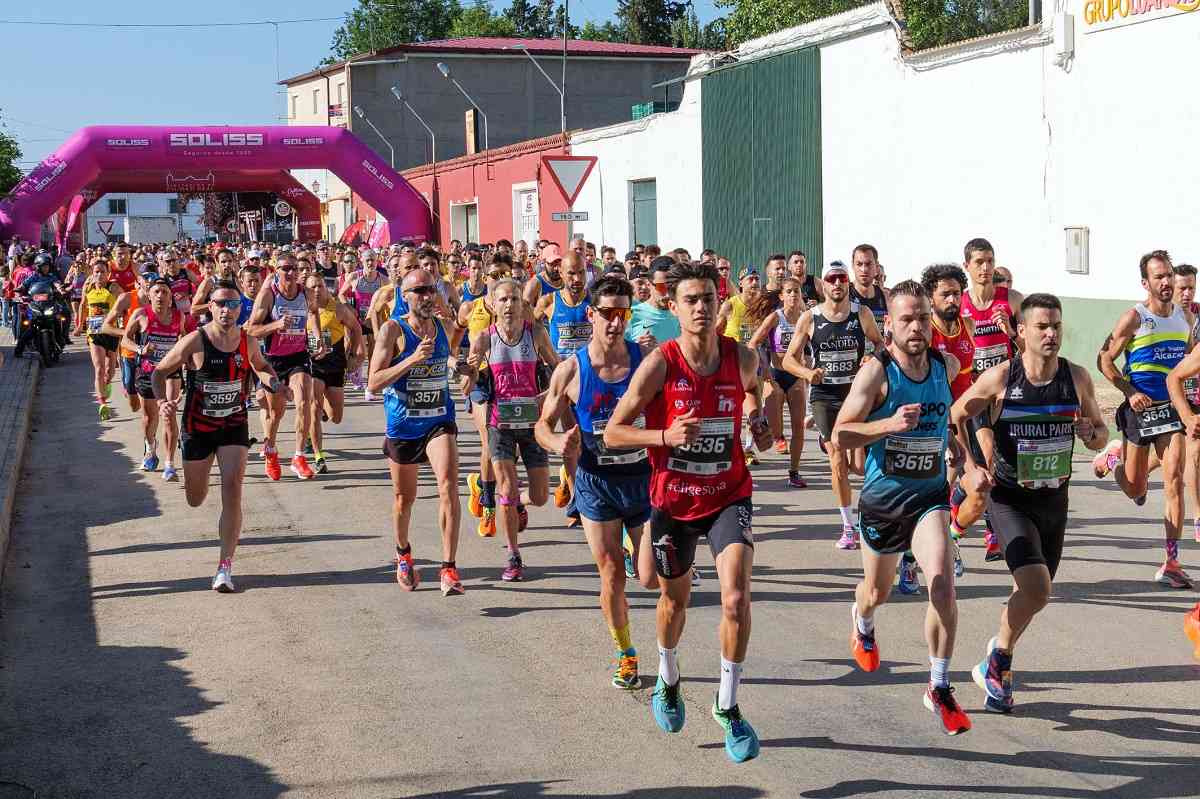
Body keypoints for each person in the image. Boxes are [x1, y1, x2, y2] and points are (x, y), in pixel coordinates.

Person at [603, 259, 772, 763]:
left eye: (708, 299)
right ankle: (669, 678)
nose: (701, 308)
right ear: (673, 308)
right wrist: (664, 436)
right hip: (673, 502)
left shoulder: (740, 357)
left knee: (736, 599)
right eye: (691, 300)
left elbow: (755, 392)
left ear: (721, 304)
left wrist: (758, 421)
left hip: (728, 494)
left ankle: (728, 706)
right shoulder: (661, 364)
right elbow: (613, 432)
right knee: (673, 602)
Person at [950, 293, 1108, 713]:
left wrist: (1091, 433)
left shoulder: (1076, 379)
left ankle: (994, 658)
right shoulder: (1002, 378)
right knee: (1038, 588)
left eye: (1056, 325)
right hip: (1009, 498)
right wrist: (969, 464)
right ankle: (1000, 662)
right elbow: (956, 415)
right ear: (1021, 332)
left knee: (1032, 594)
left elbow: (1099, 434)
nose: (1051, 333)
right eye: (1041, 326)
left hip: (1055, 500)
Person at [831, 280, 970, 736]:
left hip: (929, 499)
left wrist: (962, 454)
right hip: (884, 502)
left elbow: (946, 419)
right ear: (889, 323)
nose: (917, 327)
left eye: (923, 318)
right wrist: (888, 423)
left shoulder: (944, 365)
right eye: (907, 318)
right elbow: (840, 434)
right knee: (878, 592)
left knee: (943, 587)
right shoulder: (876, 372)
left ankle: (939, 685)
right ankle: (863, 619)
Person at [535, 275, 658, 689]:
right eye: (607, 313)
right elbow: (542, 427)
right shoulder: (571, 370)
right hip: (595, 481)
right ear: (591, 315)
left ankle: (636, 546)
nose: (615, 321)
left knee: (651, 578)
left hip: (643, 480)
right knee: (610, 573)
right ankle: (626, 654)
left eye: (622, 312)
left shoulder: (646, 361)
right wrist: (556, 441)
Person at [152, 279, 281, 593]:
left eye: (233, 304)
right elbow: (158, 372)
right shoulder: (195, 341)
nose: (227, 310)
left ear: (240, 308)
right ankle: (201, 476)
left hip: (233, 424)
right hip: (198, 428)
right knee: (196, 498)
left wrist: (273, 383)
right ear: (210, 308)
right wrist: (162, 402)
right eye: (221, 304)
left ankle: (225, 566)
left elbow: (262, 366)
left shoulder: (246, 340)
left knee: (233, 485)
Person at [1095, 250, 1192, 588]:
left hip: (1170, 409)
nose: (1166, 282)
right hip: (1139, 410)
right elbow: (1104, 360)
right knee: (1135, 486)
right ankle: (1115, 459)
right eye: (1159, 277)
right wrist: (1127, 390)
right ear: (1145, 283)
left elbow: (1188, 363)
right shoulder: (1133, 318)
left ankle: (1172, 561)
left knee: (1174, 479)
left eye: (1168, 275)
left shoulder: (1185, 319)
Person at [368, 268, 467, 596]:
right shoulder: (391, 330)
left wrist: (460, 366)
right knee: (403, 499)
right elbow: (374, 381)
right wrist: (410, 359)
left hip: (439, 419)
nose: (427, 296)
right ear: (404, 296)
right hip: (403, 425)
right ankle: (403, 552)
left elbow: (447, 358)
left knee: (449, 486)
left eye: (431, 290)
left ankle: (449, 568)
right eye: (419, 291)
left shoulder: (444, 326)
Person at [461, 278, 559, 581]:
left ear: (522, 304)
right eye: (502, 300)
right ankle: (513, 554)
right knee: (506, 487)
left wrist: (545, 396)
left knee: (542, 496)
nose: (508, 305)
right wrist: (470, 374)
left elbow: (557, 369)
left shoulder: (537, 334)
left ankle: (516, 502)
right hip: (499, 424)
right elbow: (468, 386)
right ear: (492, 304)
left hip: (532, 424)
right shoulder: (484, 339)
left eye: (514, 299)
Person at [782, 260, 883, 549]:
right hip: (824, 396)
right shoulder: (810, 318)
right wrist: (808, 373)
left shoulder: (860, 313)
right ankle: (849, 526)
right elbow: (789, 359)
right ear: (823, 285)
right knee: (837, 460)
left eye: (842, 278)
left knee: (860, 466)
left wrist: (871, 358)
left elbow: (880, 344)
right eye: (832, 279)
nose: (837, 283)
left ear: (847, 283)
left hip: (856, 394)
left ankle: (864, 511)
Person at [897, 263, 977, 591]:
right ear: (931, 297)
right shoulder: (924, 333)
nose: (952, 300)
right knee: (929, 494)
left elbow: (970, 377)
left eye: (957, 293)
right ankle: (909, 558)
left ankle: (951, 537)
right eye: (945, 294)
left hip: (967, 419)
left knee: (979, 489)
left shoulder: (969, 325)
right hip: (933, 422)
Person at [957, 238, 1023, 562]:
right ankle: (991, 530)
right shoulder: (961, 305)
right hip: (976, 395)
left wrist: (1011, 331)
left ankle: (967, 502)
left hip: (1007, 393)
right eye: (979, 261)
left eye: (990, 261)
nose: (985, 268)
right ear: (967, 265)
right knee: (987, 456)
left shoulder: (1010, 299)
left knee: (1002, 462)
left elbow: (1033, 346)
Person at [246, 251, 323, 481]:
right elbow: (251, 329)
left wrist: (318, 339)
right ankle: (270, 451)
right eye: (284, 268)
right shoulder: (268, 296)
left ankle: (299, 457)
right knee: (275, 413)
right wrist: (276, 325)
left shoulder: (306, 293)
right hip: (273, 359)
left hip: (298, 357)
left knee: (304, 402)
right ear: (276, 271)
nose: (290, 272)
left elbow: (314, 315)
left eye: (293, 268)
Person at [535, 252, 592, 519]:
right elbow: (530, 326)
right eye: (572, 273)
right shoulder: (549, 301)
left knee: (589, 439)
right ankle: (578, 497)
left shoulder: (595, 302)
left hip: (591, 377)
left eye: (581, 272)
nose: (577, 279)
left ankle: (582, 490)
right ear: (562, 273)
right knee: (572, 439)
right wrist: (542, 356)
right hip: (562, 379)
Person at [120, 274, 191, 479]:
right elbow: (125, 341)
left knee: (168, 414)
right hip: (147, 371)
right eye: (156, 292)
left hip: (170, 372)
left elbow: (183, 337)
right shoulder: (141, 314)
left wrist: (185, 350)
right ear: (149, 296)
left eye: (165, 293)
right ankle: (150, 448)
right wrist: (141, 349)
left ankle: (170, 464)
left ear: (171, 298)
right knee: (149, 417)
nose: (160, 296)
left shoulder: (179, 317)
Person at [749, 276, 808, 487]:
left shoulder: (806, 317)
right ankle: (763, 420)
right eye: (789, 291)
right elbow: (754, 343)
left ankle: (794, 471)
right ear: (782, 296)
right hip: (775, 374)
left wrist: (809, 368)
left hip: (797, 378)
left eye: (797, 291)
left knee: (799, 428)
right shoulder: (776, 317)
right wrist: (764, 370)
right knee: (775, 432)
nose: (793, 295)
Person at [305, 273, 364, 474]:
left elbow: (356, 329)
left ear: (326, 287)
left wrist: (355, 355)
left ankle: (323, 412)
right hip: (313, 366)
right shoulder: (304, 310)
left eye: (319, 286)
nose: (316, 291)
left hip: (336, 365)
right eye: (311, 287)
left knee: (336, 416)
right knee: (313, 408)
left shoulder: (338, 309)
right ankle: (318, 455)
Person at [75, 259, 123, 420]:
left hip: (111, 333)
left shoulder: (113, 287)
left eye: (103, 271)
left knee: (110, 371)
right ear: (92, 273)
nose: (99, 274)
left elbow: (125, 303)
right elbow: (82, 305)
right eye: (96, 271)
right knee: (99, 368)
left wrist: (122, 318)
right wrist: (79, 325)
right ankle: (102, 403)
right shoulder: (88, 287)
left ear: (108, 273)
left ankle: (107, 384)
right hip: (94, 333)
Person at [626, 257, 681, 350]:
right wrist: (636, 348)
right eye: (661, 287)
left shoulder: (684, 313)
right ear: (648, 284)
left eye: (672, 287)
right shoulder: (631, 313)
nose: (667, 294)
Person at [848, 245, 889, 350]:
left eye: (868, 264)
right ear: (853, 266)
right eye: (859, 264)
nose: (864, 269)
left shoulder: (886, 297)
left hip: (879, 359)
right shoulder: (844, 295)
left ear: (876, 266)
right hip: (854, 361)